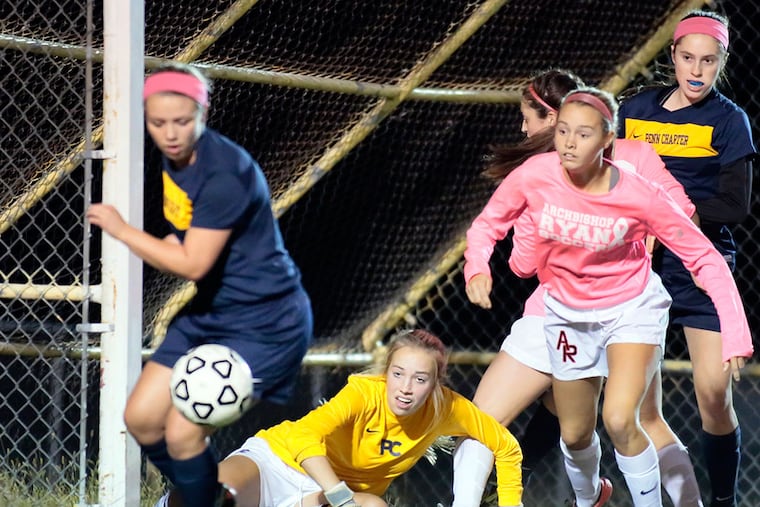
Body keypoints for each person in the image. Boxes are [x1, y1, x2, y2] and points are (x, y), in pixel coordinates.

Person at [463, 86, 752, 507]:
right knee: (575, 432)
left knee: (620, 417)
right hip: (566, 312)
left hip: (630, 308)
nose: (568, 143)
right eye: (562, 131)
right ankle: (591, 497)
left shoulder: (637, 193)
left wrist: (735, 332)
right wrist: (477, 266)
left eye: (582, 134)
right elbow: (488, 225)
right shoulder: (535, 175)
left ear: (607, 139)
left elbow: (704, 257)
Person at [87, 63, 313, 507]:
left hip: (267, 322)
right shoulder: (175, 163)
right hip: (215, 312)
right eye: (158, 122)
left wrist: (122, 229)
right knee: (142, 419)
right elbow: (185, 237)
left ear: (202, 114)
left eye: (182, 121)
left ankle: (201, 499)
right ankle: (211, 497)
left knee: (182, 433)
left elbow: (192, 263)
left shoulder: (224, 172)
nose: (170, 133)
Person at [618, 10, 756, 507]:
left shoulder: (729, 119)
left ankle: (723, 501)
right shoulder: (633, 110)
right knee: (636, 409)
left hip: (700, 263)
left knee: (714, 394)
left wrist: (679, 216)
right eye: (687, 58)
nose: (696, 70)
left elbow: (735, 206)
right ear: (672, 56)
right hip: (638, 264)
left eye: (709, 61)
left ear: (722, 62)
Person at [156, 328, 524, 507]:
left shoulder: (450, 409)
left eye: (420, 378)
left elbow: (506, 448)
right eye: (398, 374)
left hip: (320, 498)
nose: (406, 388)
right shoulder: (364, 392)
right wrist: (340, 496)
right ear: (386, 372)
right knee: (212, 495)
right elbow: (303, 439)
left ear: (436, 384)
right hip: (277, 463)